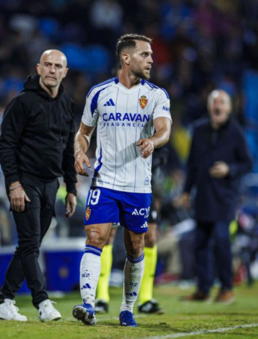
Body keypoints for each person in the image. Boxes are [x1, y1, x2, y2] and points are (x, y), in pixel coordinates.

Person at [73, 34, 172, 327]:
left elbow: (164, 129)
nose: (151, 59)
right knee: (95, 238)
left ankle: (127, 307)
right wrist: (79, 152)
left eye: (151, 54)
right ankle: (88, 305)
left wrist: (154, 141)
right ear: (126, 58)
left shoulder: (156, 94)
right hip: (105, 181)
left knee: (135, 247)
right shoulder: (100, 93)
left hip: (138, 187)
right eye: (145, 54)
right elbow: (83, 133)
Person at [0, 49, 77, 322]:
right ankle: (43, 302)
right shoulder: (22, 103)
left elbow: (67, 152)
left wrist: (71, 188)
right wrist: (14, 184)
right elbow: (5, 147)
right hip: (25, 181)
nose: (52, 70)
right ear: (38, 68)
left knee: (30, 246)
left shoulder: (66, 106)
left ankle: (3, 302)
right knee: (30, 244)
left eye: (57, 66)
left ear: (65, 72)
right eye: (47, 65)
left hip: (51, 185)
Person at [177, 90, 252, 304]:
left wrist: (229, 169)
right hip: (203, 195)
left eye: (222, 102)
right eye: (214, 102)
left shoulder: (236, 132)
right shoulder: (199, 130)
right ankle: (203, 288)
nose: (217, 106)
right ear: (209, 106)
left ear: (229, 108)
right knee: (200, 243)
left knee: (221, 241)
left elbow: (247, 163)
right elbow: (191, 164)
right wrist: (185, 191)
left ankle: (226, 288)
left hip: (225, 196)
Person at [95, 147, 168, 315]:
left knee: (149, 237)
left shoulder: (153, 123)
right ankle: (101, 297)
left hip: (143, 186)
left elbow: (162, 153)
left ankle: (146, 299)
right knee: (107, 235)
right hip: (113, 184)